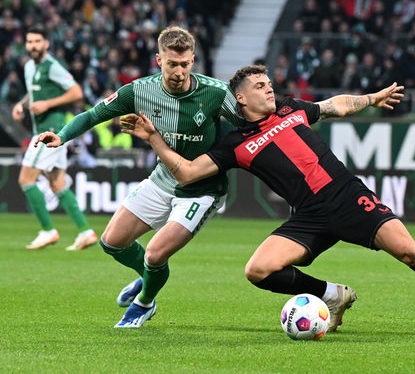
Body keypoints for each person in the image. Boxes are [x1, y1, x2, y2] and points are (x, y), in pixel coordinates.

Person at [120, 64, 415, 336]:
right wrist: (154, 138)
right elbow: (186, 173)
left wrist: (371, 98)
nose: (269, 88)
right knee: (258, 270)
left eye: (269, 83)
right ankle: (333, 295)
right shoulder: (234, 145)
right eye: (260, 86)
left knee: (410, 253)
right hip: (309, 215)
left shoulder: (291, 108)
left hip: (347, 196)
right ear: (240, 97)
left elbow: (334, 105)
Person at [35, 26, 245, 328]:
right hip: (163, 180)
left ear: (193, 60)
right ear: (158, 60)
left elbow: (252, 122)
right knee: (112, 242)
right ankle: (148, 279)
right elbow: (94, 114)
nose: (179, 71)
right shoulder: (140, 91)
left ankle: (144, 302)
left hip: (203, 189)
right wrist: (62, 135)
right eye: (172, 64)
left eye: (185, 64)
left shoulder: (215, 92)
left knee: (156, 254)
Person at [11, 27, 96, 251]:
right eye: (29, 42)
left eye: (38, 41)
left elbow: (77, 92)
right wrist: (22, 104)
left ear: (46, 43)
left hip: (51, 131)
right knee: (57, 183)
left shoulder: (52, 66)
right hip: (44, 130)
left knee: (26, 180)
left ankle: (48, 230)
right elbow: (33, 92)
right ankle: (86, 232)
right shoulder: (30, 66)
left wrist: (48, 104)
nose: (33, 46)